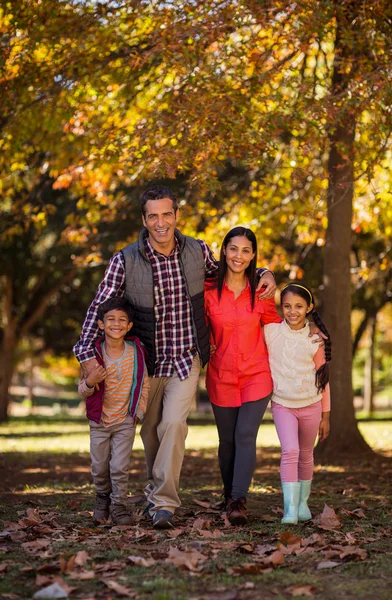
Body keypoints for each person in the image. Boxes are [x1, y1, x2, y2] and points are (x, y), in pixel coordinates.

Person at [73, 185, 276, 530]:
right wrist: (85, 354)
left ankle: (164, 504)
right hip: (148, 364)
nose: (161, 222)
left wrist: (264, 272)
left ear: (176, 215)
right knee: (150, 431)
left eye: (167, 214)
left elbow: (234, 269)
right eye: (153, 215)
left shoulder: (197, 250)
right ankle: (156, 494)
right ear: (144, 219)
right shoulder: (125, 260)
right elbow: (99, 308)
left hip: (186, 358)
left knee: (173, 425)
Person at [204, 227, 282, 526]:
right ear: (224, 251)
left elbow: (276, 327)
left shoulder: (262, 292)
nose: (239, 256)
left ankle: (239, 500)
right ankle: (228, 495)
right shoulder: (208, 290)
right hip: (221, 374)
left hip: (256, 374)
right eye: (233, 249)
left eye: (246, 250)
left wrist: (309, 333)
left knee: (245, 434)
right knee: (227, 442)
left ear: (253, 256)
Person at [78, 297, 150, 526]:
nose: (116, 324)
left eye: (122, 320)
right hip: (99, 422)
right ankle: (102, 499)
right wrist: (90, 381)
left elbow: (144, 383)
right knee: (99, 467)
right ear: (100, 324)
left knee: (120, 467)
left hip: (124, 421)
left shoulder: (136, 351)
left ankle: (119, 505)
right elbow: (82, 390)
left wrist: (137, 412)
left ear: (129, 326)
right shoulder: (92, 355)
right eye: (110, 319)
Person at [264, 283, 331, 525]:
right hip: (283, 404)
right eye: (287, 306)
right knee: (290, 450)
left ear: (309, 308)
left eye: (299, 306)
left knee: (306, 454)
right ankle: (290, 509)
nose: (293, 311)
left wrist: (326, 415)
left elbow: (323, 380)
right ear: (281, 307)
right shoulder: (270, 332)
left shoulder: (315, 339)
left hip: (312, 405)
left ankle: (303, 504)